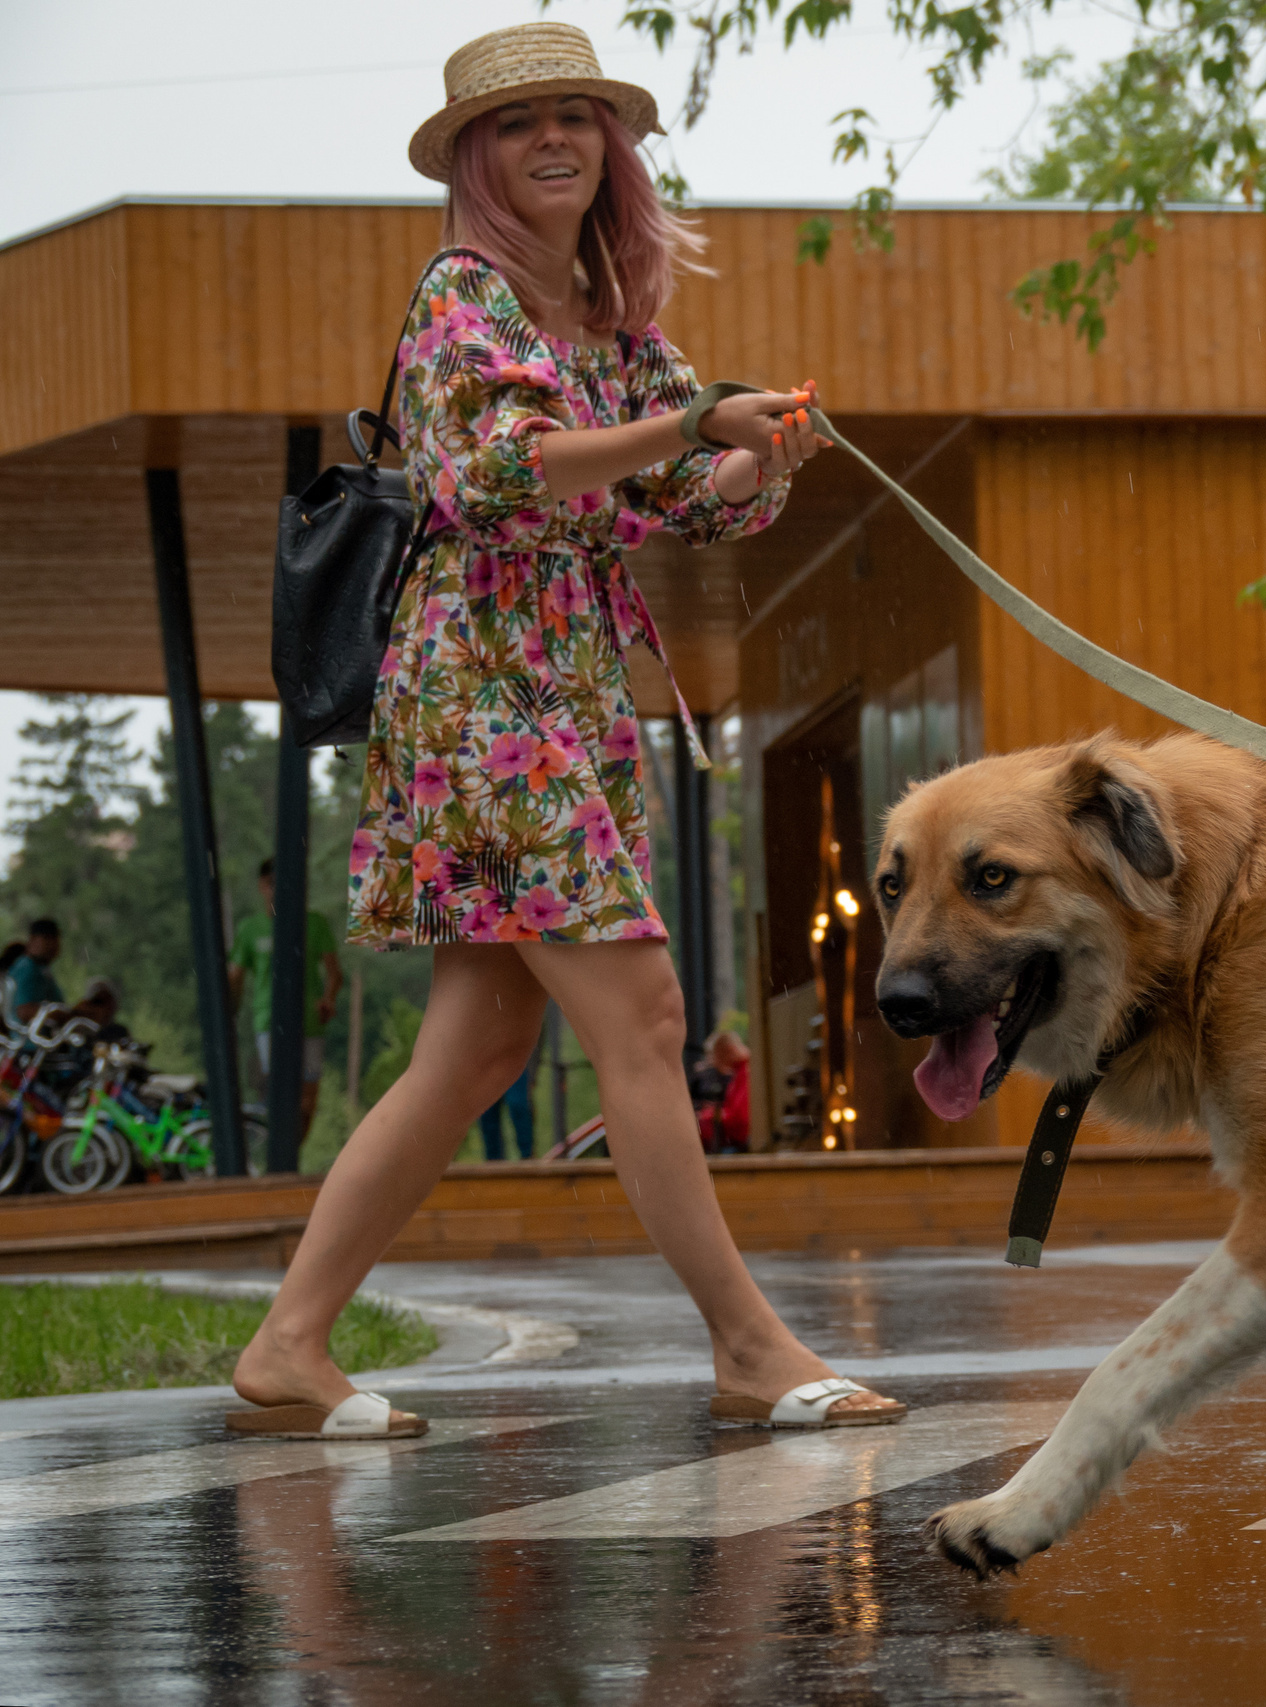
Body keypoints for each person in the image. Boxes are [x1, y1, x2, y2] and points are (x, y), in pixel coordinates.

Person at [229, 22, 899, 1439]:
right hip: (482, 682)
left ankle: (289, 1341)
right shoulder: (465, 291)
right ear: (478, 155)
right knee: (645, 1012)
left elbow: (676, 503)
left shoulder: (609, 312)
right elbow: (499, 470)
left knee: (474, 1049)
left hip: (564, 685)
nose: (555, 142)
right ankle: (747, 1342)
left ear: (614, 145)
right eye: (522, 122)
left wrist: (759, 449)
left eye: (579, 118)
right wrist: (686, 421)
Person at [228, 858, 345, 1134]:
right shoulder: (250, 929)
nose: (277, 890)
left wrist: (328, 999)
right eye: (272, 884)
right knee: (281, 1093)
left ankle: (293, 1156)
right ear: (262, 886)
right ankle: (278, 1156)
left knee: (307, 1098)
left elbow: (334, 973)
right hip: (269, 1021)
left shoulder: (314, 924)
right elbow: (236, 977)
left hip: (309, 1022)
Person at [692, 1030, 752, 1154]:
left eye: (715, 1056)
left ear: (729, 1050)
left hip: (739, 1146)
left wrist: (708, 1115)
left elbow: (741, 1120)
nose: (713, 1062)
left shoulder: (746, 1072)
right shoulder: (739, 1072)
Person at [478, 1056, 539, 1161]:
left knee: (518, 1107)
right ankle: (493, 1165)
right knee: (487, 1116)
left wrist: (532, 1072)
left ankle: (528, 1158)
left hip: (515, 1060)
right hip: (485, 1064)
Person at [8, 919, 64, 1023]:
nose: (53, 944)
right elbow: (24, 1011)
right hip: (30, 1037)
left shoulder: (42, 969)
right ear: (32, 940)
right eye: (47, 939)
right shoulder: (27, 968)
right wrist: (60, 1015)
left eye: (55, 939)